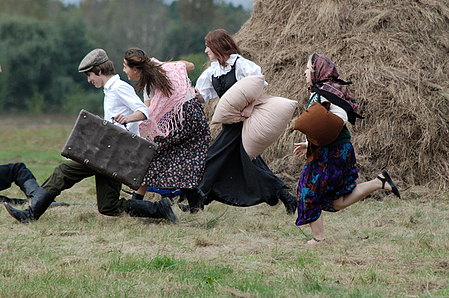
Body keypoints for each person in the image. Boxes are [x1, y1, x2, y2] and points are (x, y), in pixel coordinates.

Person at [4, 48, 178, 223]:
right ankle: (159, 208)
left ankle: (30, 214)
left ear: (99, 71)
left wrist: (127, 118)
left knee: (62, 172)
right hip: (110, 153)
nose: (89, 80)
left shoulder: (119, 87)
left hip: (115, 153)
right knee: (108, 206)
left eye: (89, 75)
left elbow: (143, 111)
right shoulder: (110, 90)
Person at [293, 53, 401, 244]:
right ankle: (379, 182)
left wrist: (315, 143)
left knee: (308, 190)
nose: (304, 72)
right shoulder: (319, 91)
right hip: (331, 150)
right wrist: (309, 144)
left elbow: (339, 118)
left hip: (333, 152)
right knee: (335, 199)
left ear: (317, 71)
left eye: (307, 68)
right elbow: (323, 124)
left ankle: (319, 240)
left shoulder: (329, 91)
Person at [194, 29, 297, 214]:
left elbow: (258, 85)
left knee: (213, 159)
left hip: (244, 124)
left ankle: (199, 200)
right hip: (230, 124)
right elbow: (204, 97)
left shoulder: (240, 65)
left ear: (218, 47)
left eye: (208, 47)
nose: (205, 51)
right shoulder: (213, 71)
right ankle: (287, 198)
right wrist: (196, 95)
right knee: (251, 164)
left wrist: (250, 107)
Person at [122, 47, 210, 213]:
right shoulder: (165, 69)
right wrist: (163, 64)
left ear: (136, 69)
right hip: (194, 115)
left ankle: (136, 203)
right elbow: (189, 66)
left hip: (179, 120)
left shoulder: (150, 83)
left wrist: (127, 122)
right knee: (176, 160)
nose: (124, 70)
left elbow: (146, 114)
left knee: (150, 157)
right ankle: (194, 198)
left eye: (125, 67)